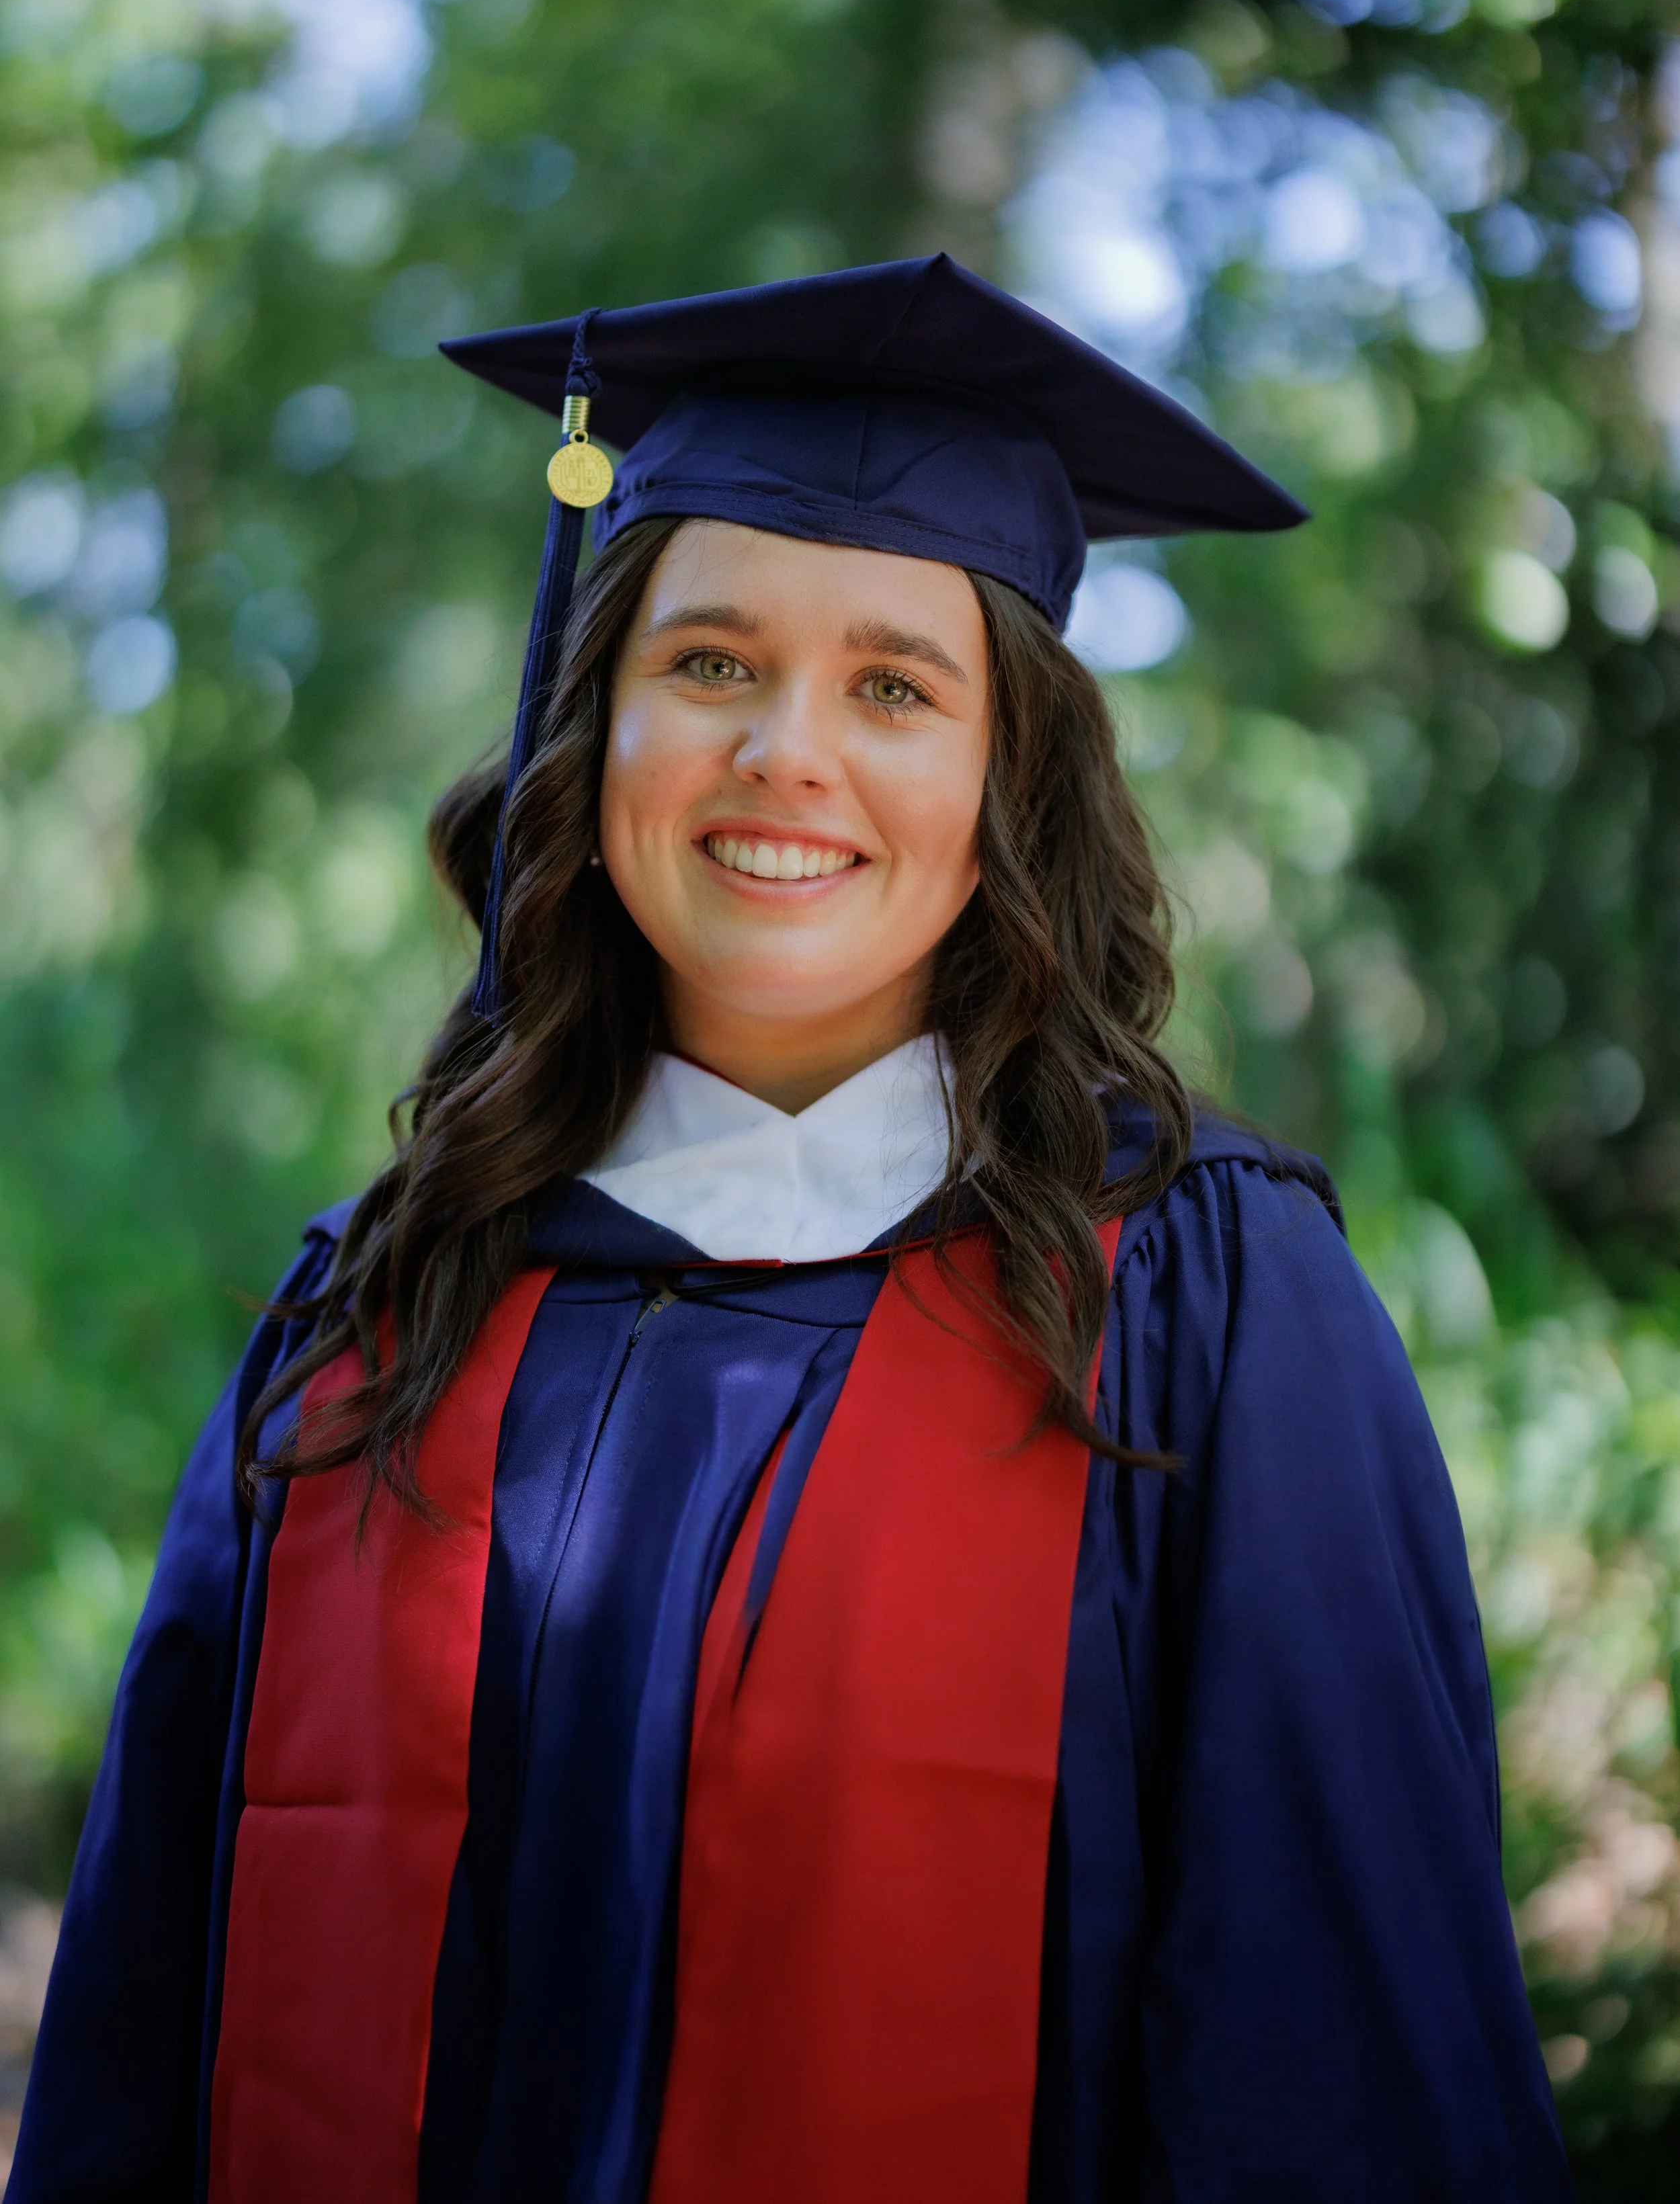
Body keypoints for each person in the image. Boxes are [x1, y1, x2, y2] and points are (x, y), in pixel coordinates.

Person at [12, 255, 1572, 2204]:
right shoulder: (378, 1310)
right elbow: (144, 2038)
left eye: (895, 687)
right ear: (601, 735)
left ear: (1011, 777)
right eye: (712, 663)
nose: (784, 755)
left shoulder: (1199, 1306)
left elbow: (1343, 2060)